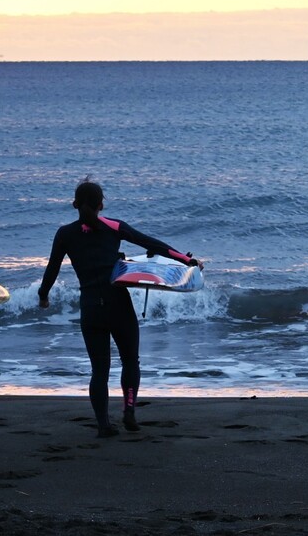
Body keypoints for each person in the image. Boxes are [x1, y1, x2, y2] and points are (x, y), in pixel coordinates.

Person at [38, 178, 202, 438]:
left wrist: (43, 295)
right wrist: (186, 259)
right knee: (130, 361)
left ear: (75, 204)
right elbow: (152, 244)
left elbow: (52, 270)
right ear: (101, 204)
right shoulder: (113, 227)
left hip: (91, 308)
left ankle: (103, 425)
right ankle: (129, 410)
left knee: (99, 371)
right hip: (117, 304)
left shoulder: (64, 234)